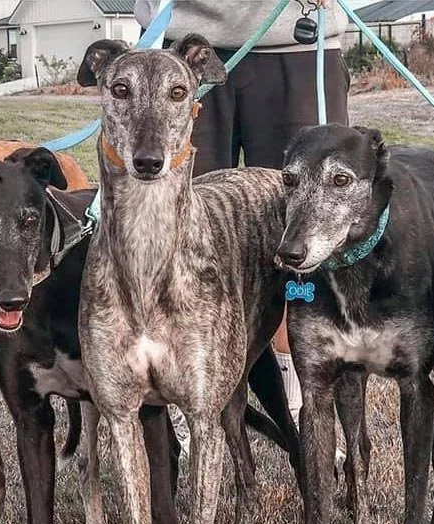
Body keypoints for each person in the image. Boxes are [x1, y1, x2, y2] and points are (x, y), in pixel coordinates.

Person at [135, 0, 351, 434]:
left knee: (307, 231)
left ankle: (306, 403)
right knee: (180, 239)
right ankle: (188, 399)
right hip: (184, 49)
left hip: (297, 41)